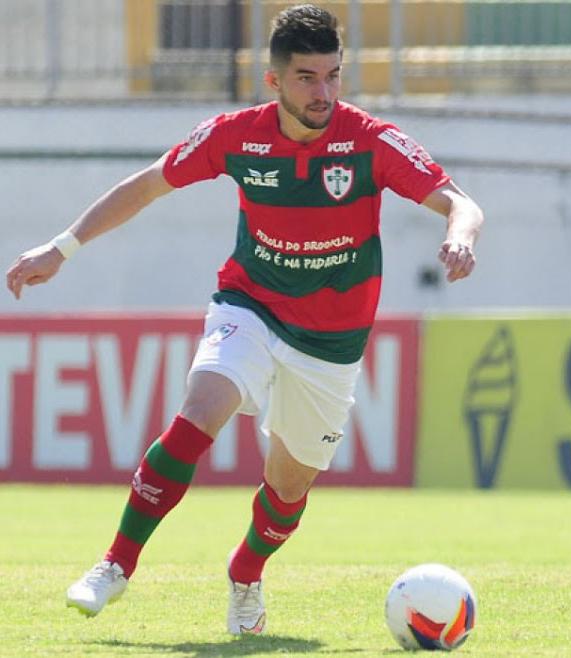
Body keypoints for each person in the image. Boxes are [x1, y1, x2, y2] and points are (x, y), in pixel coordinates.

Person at [5, 3, 483, 635]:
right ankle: (115, 564)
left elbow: (461, 203)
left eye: (333, 75)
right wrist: (61, 248)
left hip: (331, 340)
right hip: (250, 304)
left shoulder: (370, 140)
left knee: (288, 489)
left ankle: (246, 573)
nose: (324, 92)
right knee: (201, 409)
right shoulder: (236, 135)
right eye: (307, 78)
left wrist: (459, 236)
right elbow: (146, 186)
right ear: (274, 80)